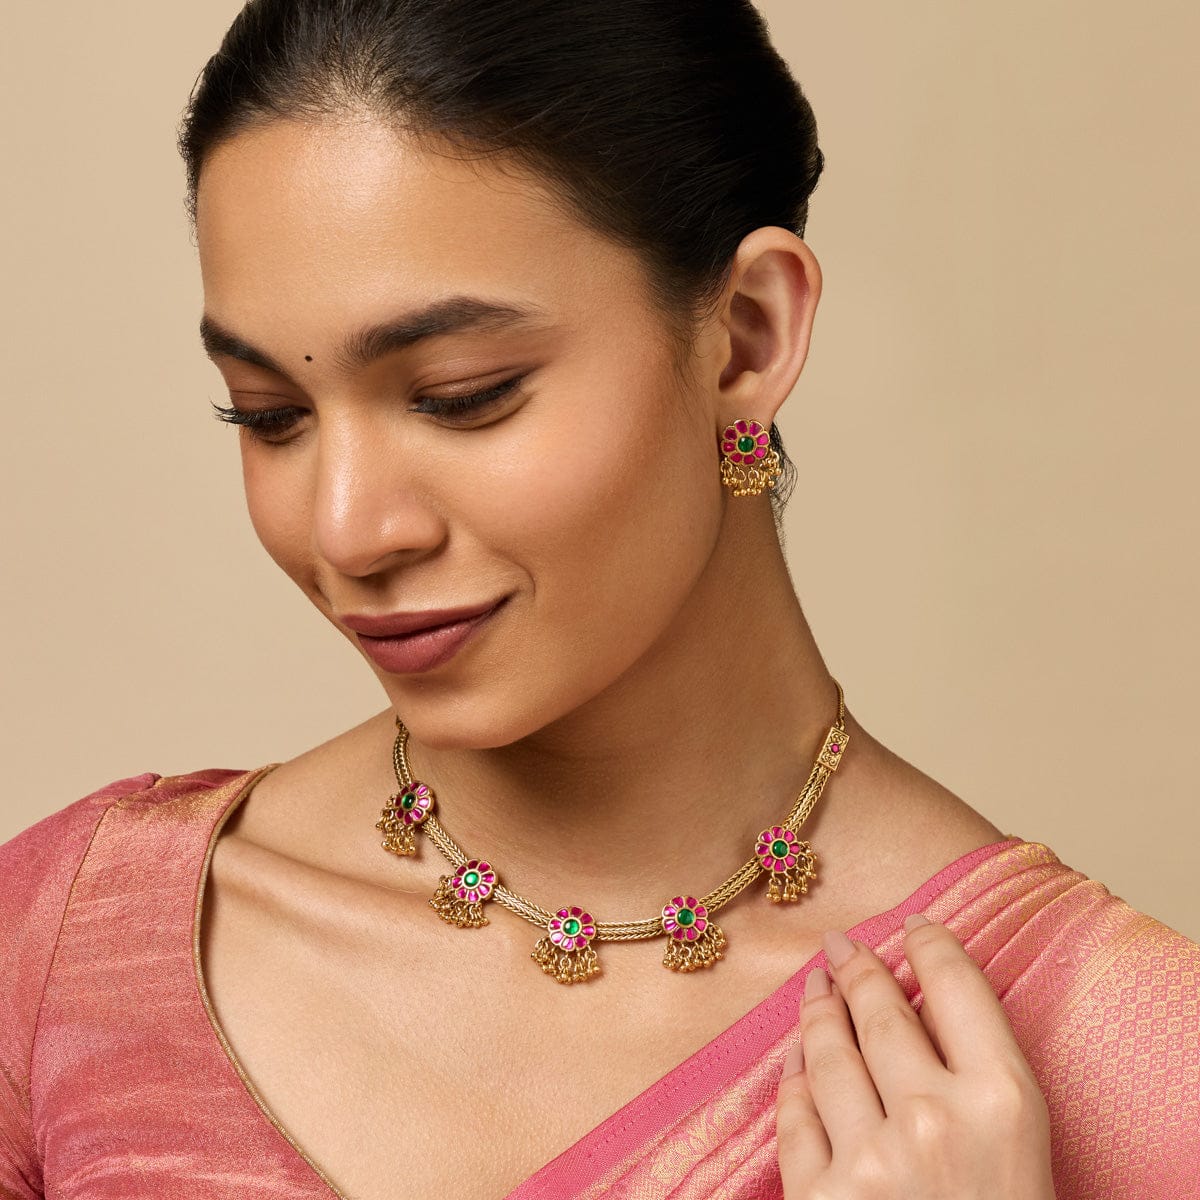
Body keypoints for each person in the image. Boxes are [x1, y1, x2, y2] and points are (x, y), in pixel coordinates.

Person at [1, 2, 1196, 1197]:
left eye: (462, 394)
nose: (346, 529)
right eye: (269, 416)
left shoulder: (1120, 1068)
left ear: (747, 337)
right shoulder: (69, 954)